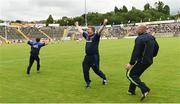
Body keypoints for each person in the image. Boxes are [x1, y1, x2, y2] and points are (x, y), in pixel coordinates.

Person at [125, 25, 159, 101]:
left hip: (142, 61)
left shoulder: (139, 39)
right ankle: (131, 91)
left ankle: (145, 89)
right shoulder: (151, 37)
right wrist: (152, 55)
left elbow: (136, 52)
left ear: (141, 30)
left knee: (130, 75)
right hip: (149, 61)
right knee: (136, 75)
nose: (136, 30)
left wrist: (131, 63)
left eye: (137, 29)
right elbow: (157, 47)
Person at [75, 19, 108, 88]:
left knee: (96, 70)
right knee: (85, 70)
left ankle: (104, 77)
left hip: (94, 57)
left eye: (89, 29)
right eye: (87, 29)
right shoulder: (87, 35)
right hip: (87, 57)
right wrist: (77, 25)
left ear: (92, 30)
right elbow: (81, 31)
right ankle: (88, 83)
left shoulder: (96, 36)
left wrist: (104, 24)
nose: (87, 30)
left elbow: (100, 31)